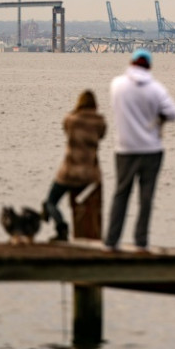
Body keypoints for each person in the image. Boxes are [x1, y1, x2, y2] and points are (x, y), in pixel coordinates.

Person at [104, 48, 175, 252]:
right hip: (151, 151)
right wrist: (157, 116)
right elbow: (173, 113)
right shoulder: (156, 89)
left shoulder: (116, 85)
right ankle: (141, 241)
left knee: (121, 195)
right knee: (146, 198)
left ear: (131, 62)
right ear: (150, 66)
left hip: (125, 149)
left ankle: (111, 241)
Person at [42, 90, 106, 241]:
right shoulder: (100, 122)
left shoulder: (71, 120)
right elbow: (102, 135)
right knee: (85, 208)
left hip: (69, 173)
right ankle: (89, 236)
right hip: (89, 174)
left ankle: (61, 227)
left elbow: (65, 127)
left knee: (50, 201)